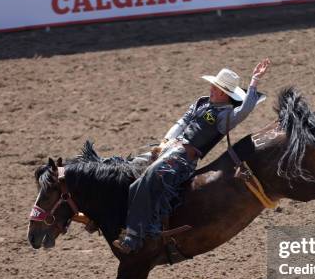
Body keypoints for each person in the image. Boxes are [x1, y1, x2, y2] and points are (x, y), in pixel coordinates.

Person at [113, 58, 272, 254]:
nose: (213, 90)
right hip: (168, 149)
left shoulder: (226, 117)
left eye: (218, 89)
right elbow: (182, 122)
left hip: (182, 160)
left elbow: (245, 109)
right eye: (214, 86)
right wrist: (164, 142)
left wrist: (254, 81)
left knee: (148, 178)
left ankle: (134, 236)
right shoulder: (201, 103)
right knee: (128, 167)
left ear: (226, 95)